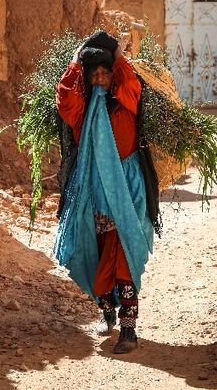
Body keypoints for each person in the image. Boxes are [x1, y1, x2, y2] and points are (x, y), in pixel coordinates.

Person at [53, 30, 155, 354]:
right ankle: (106, 313)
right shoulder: (82, 114)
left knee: (124, 258)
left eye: (104, 72)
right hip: (94, 195)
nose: (99, 78)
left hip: (129, 191)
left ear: (112, 76)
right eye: (93, 73)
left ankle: (129, 330)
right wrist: (74, 61)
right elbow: (65, 96)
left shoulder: (126, 102)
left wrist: (118, 56)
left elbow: (130, 81)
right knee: (98, 256)